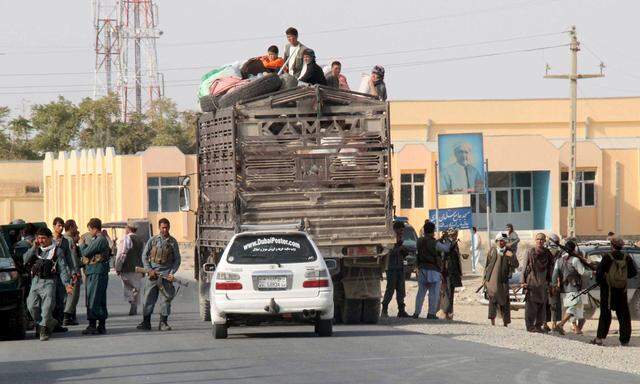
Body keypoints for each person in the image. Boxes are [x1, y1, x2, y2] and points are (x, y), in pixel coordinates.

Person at [23, 227, 73, 341]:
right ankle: (45, 323)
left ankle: (44, 331)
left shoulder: (57, 251)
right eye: (39, 238)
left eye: (43, 238)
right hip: (35, 281)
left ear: (50, 238)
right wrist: (33, 247)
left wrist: (67, 284)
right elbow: (25, 259)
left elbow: (63, 268)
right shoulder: (35, 249)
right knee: (31, 306)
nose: (41, 240)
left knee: (47, 307)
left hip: (49, 282)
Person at [138, 218, 181, 331]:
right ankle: (146, 322)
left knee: (166, 300)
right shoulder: (152, 240)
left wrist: (172, 273)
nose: (165, 229)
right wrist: (149, 270)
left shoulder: (173, 242)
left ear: (169, 227)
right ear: (159, 228)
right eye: (162, 227)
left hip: (166, 277)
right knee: (148, 299)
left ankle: (163, 323)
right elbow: (144, 256)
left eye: (166, 227)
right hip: (152, 276)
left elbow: (177, 260)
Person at [592, 237, 637, 346]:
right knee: (624, 316)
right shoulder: (627, 258)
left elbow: (599, 275)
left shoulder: (607, 257)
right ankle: (624, 341)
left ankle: (599, 339)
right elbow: (633, 273)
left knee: (605, 315)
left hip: (608, 291)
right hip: (622, 291)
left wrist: (600, 277)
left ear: (612, 245)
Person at [552, 240, 592, 335]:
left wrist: (554, 285)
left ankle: (575, 328)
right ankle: (560, 325)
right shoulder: (575, 260)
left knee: (574, 308)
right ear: (574, 249)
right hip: (574, 287)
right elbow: (582, 272)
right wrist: (592, 272)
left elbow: (554, 275)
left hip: (564, 288)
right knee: (573, 307)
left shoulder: (559, 260)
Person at [79, 218, 112, 335]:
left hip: (96, 271)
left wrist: (82, 244)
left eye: (89, 229)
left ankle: (92, 325)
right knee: (100, 298)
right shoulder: (100, 239)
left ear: (94, 228)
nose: (89, 232)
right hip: (98, 271)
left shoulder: (99, 240)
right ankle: (101, 325)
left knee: (93, 298)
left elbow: (86, 252)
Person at [413, 220, 451, 319]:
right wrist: (447, 240)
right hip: (433, 270)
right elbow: (446, 249)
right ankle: (431, 313)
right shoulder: (434, 243)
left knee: (421, 293)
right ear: (433, 231)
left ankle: (416, 313)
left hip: (422, 269)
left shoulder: (419, 241)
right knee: (433, 293)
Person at [484, 233, 518, 327]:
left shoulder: (509, 251)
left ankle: (505, 323)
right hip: (492, 280)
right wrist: (485, 280)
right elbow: (487, 266)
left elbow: (516, 265)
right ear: (497, 241)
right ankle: (492, 321)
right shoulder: (492, 251)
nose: (502, 242)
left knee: (505, 301)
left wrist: (511, 257)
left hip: (503, 281)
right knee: (492, 299)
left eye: (504, 241)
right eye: (500, 240)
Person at [522, 233, 554, 333]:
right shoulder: (530, 252)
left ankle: (538, 326)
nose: (540, 241)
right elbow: (524, 268)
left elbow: (550, 268)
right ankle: (530, 327)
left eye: (542, 239)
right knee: (530, 307)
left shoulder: (547, 253)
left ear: (544, 241)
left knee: (542, 306)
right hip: (531, 282)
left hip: (543, 283)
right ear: (535, 240)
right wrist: (522, 282)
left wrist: (551, 282)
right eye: (538, 239)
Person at [115, 221, 145, 316]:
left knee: (128, 287)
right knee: (136, 287)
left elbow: (122, 253)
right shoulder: (141, 240)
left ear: (128, 228)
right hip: (138, 268)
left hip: (127, 267)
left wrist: (118, 266)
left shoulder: (126, 239)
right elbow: (144, 255)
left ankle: (132, 303)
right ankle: (134, 304)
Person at [381, 221, 410, 318]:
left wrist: (403, 250)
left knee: (401, 290)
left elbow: (401, 252)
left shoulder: (400, 239)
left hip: (400, 267)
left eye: (403, 230)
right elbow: (388, 252)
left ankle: (401, 310)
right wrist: (400, 248)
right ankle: (384, 310)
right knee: (390, 290)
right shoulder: (390, 239)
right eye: (400, 229)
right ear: (396, 229)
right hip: (391, 268)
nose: (402, 232)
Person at [62, 219, 82, 326]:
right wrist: (76, 271)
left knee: (68, 295)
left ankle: (68, 316)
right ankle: (67, 317)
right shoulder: (69, 240)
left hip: (65, 271)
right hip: (71, 271)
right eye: (75, 227)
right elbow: (72, 257)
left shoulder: (62, 238)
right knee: (73, 295)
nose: (77, 229)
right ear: (70, 227)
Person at [441, 229, 463, 320]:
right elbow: (446, 251)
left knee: (451, 293)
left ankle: (450, 312)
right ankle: (445, 312)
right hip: (448, 272)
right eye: (454, 235)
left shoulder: (454, 243)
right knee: (448, 293)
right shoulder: (447, 242)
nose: (455, 236)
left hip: (454, 271)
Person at [545, 233, 564, 333]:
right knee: (545, 304)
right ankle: (544, 324)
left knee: (555, 304)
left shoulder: (560, 254)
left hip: (556, 281)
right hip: (546, 281)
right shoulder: (545, 252)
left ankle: (554, 324)